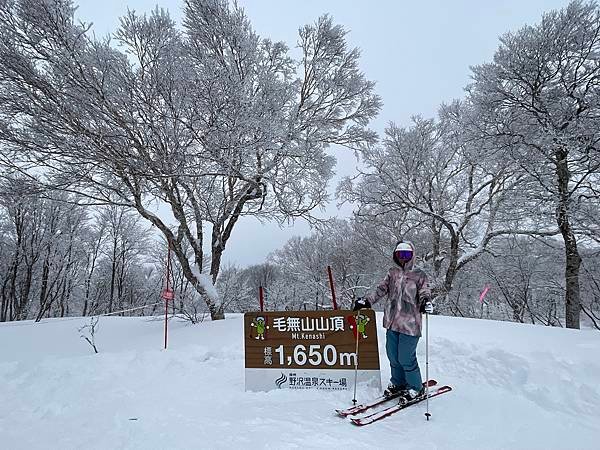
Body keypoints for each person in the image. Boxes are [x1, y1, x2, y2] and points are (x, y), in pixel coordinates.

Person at [354, 240, 434, 403]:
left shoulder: (419, 275)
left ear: (412, 255)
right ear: (395, 256)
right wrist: (367, 301)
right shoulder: (392, 273)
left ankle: (416, 387)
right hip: (392, 321)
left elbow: (425, 291)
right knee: (393, 356)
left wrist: (426, 302)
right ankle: (398, 383)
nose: (403, 258)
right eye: (400, 254)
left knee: (406, 357)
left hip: (410, 324)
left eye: (407, 254)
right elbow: (381, 289)